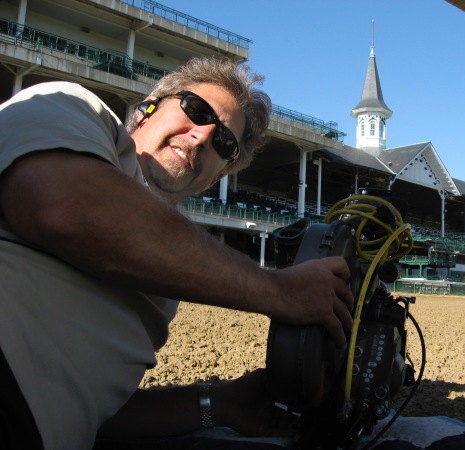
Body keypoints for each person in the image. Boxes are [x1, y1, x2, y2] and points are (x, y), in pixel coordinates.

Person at [0, 57, 354, 450]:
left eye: (224, 143)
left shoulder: (167, 283)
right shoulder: (70, 104)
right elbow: (63, 207)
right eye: (196, 110)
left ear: (217, 176)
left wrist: (218, 405)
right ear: (148, 107)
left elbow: (91, 408)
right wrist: (281, 291)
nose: (203, 136)